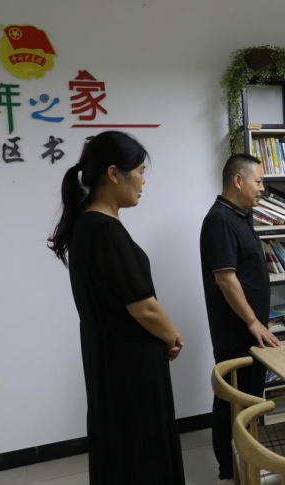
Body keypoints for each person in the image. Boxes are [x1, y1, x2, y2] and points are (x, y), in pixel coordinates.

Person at [47, 131, 185, 484]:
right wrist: (172, 336)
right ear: (113, 173)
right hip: (131, 364)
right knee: (142, 446)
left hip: (106, 358)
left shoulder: (85, 226)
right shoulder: (106, 231)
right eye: (139, 171)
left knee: (120, 446)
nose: (143, 181)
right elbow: (144, 309)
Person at [200, 153, 281, 485]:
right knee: (233, 399)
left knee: (251, 397)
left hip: (251, 329)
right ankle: (230, 469)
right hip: (236, 332)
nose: (262, 188)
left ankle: (250, 458)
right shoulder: (220, 220)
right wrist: (251, 321)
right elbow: (226, 279)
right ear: (238, 180)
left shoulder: (241, 214)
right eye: (258, 181)